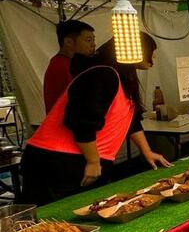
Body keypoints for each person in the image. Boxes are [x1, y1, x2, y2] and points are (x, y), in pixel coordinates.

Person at [22, 33, 171, 205]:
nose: (154, 56)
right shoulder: (103, 74)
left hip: (85, 160)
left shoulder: (123, 78)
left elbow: (129, 119)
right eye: (152, 51)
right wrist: (93, 161)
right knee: (56, 219)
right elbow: (80, 120)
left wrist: (147, 151)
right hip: (58, 161)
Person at [43, 20, 96, 113]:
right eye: (88, 40)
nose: (93, 44)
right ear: (68, 42)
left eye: (93, 40)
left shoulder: (69, 64)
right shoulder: (61, 66)